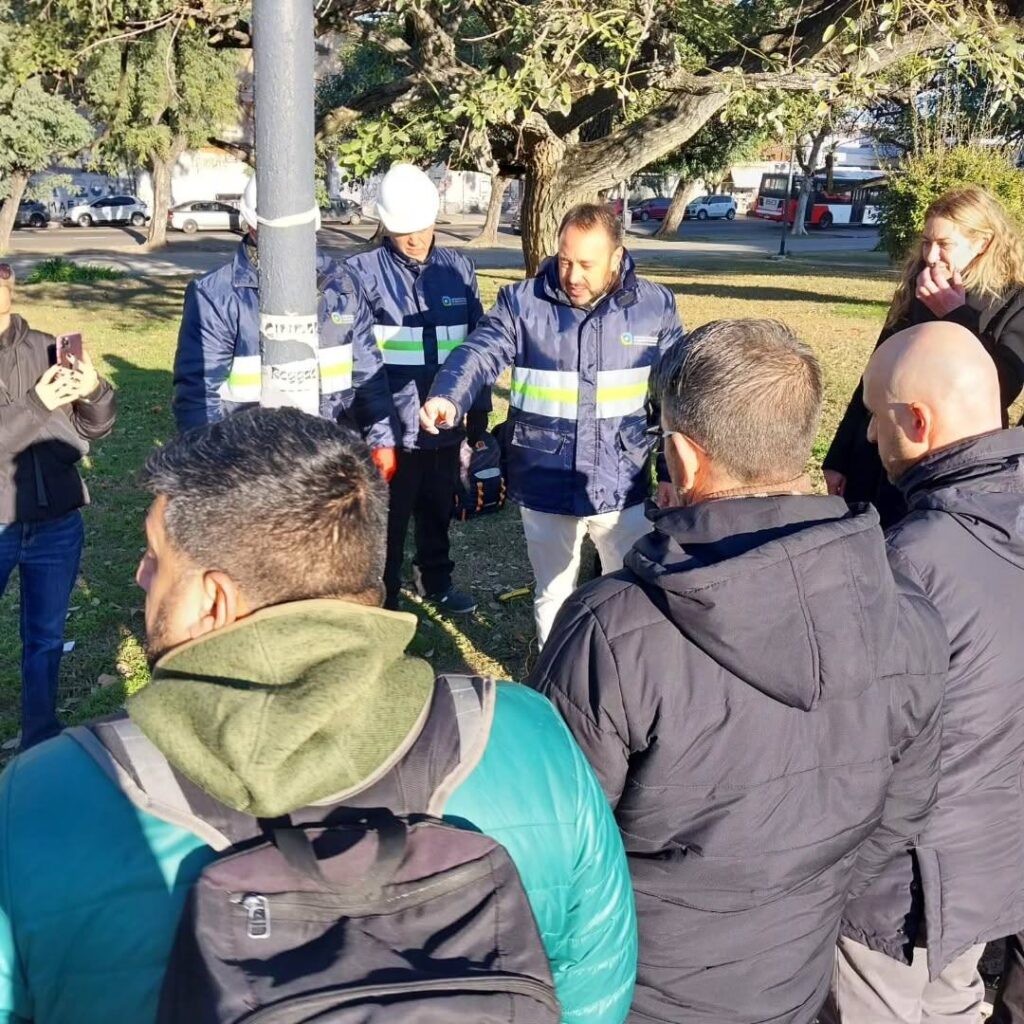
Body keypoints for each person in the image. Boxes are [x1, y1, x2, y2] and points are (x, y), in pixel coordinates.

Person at [0, 407, 636, 1024]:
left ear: (215, 600)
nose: (141, 576)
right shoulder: (527, 736)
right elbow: (593, 992)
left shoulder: (47, 796)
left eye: (154, 557)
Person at [530, 318, 949, 1024]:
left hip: (635, 990)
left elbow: (550, 855)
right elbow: (899, 817)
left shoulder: (613, 629)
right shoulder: (905, 606)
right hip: (795, 977)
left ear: (683, 459)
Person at [823, 322, 1024, 1024]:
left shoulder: (909, 562)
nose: (869, 436)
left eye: (875, 417)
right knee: (955, 1004)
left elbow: (850, 738)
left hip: (899, 890)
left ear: (916, 420)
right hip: (991, 863)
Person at [421, 203, 683, 645]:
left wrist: (671, 473)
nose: (572, 276)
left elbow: (674, 393)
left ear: (616, 257)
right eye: (564, 261)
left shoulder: (654, 307)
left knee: (627, 594)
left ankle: (616, 673)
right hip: (545, 480)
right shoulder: (521, 303)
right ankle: (553, 673)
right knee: (553, 592)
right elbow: (480, 351)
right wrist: (448, 393)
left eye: (586, 264)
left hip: (622, 482)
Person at [172, 177, 397, 480]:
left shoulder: (341, 284)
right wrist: (211, 466)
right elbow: (199, 393)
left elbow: (367, 369)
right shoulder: (216, 296)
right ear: (252, 227)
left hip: (331, 457)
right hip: (254, 464)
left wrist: (382, 439)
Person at [824, 186, 1024, 526]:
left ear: (982, 243)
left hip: (948, 466)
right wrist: (839, 457)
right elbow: (875, 375)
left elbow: (1000, 389)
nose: (931, 256)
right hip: (879, 450)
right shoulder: (918, 284)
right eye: (927, 242)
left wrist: (955, 315)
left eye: (944, 244)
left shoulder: (1014, 301)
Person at [345, 164, 488, 614]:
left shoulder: (458, 269)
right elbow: (357, 358)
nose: (416, 238)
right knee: (388, 518)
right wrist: (372, 428)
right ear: (386, 225)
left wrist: (478, 411)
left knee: (438, 507)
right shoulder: (359, 273)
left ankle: (436, 580)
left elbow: (478, 344)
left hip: (444, 423)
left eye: (423, 227)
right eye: (405, 230)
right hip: (389, 427)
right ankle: (383, 594)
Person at [0, 263, 116, 751]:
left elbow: (95, 426)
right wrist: (37, 402)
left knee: (46, 638)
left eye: (3, 270)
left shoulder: (48, 347)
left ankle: (39, 740)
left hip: (56, 522)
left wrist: (94, 392)